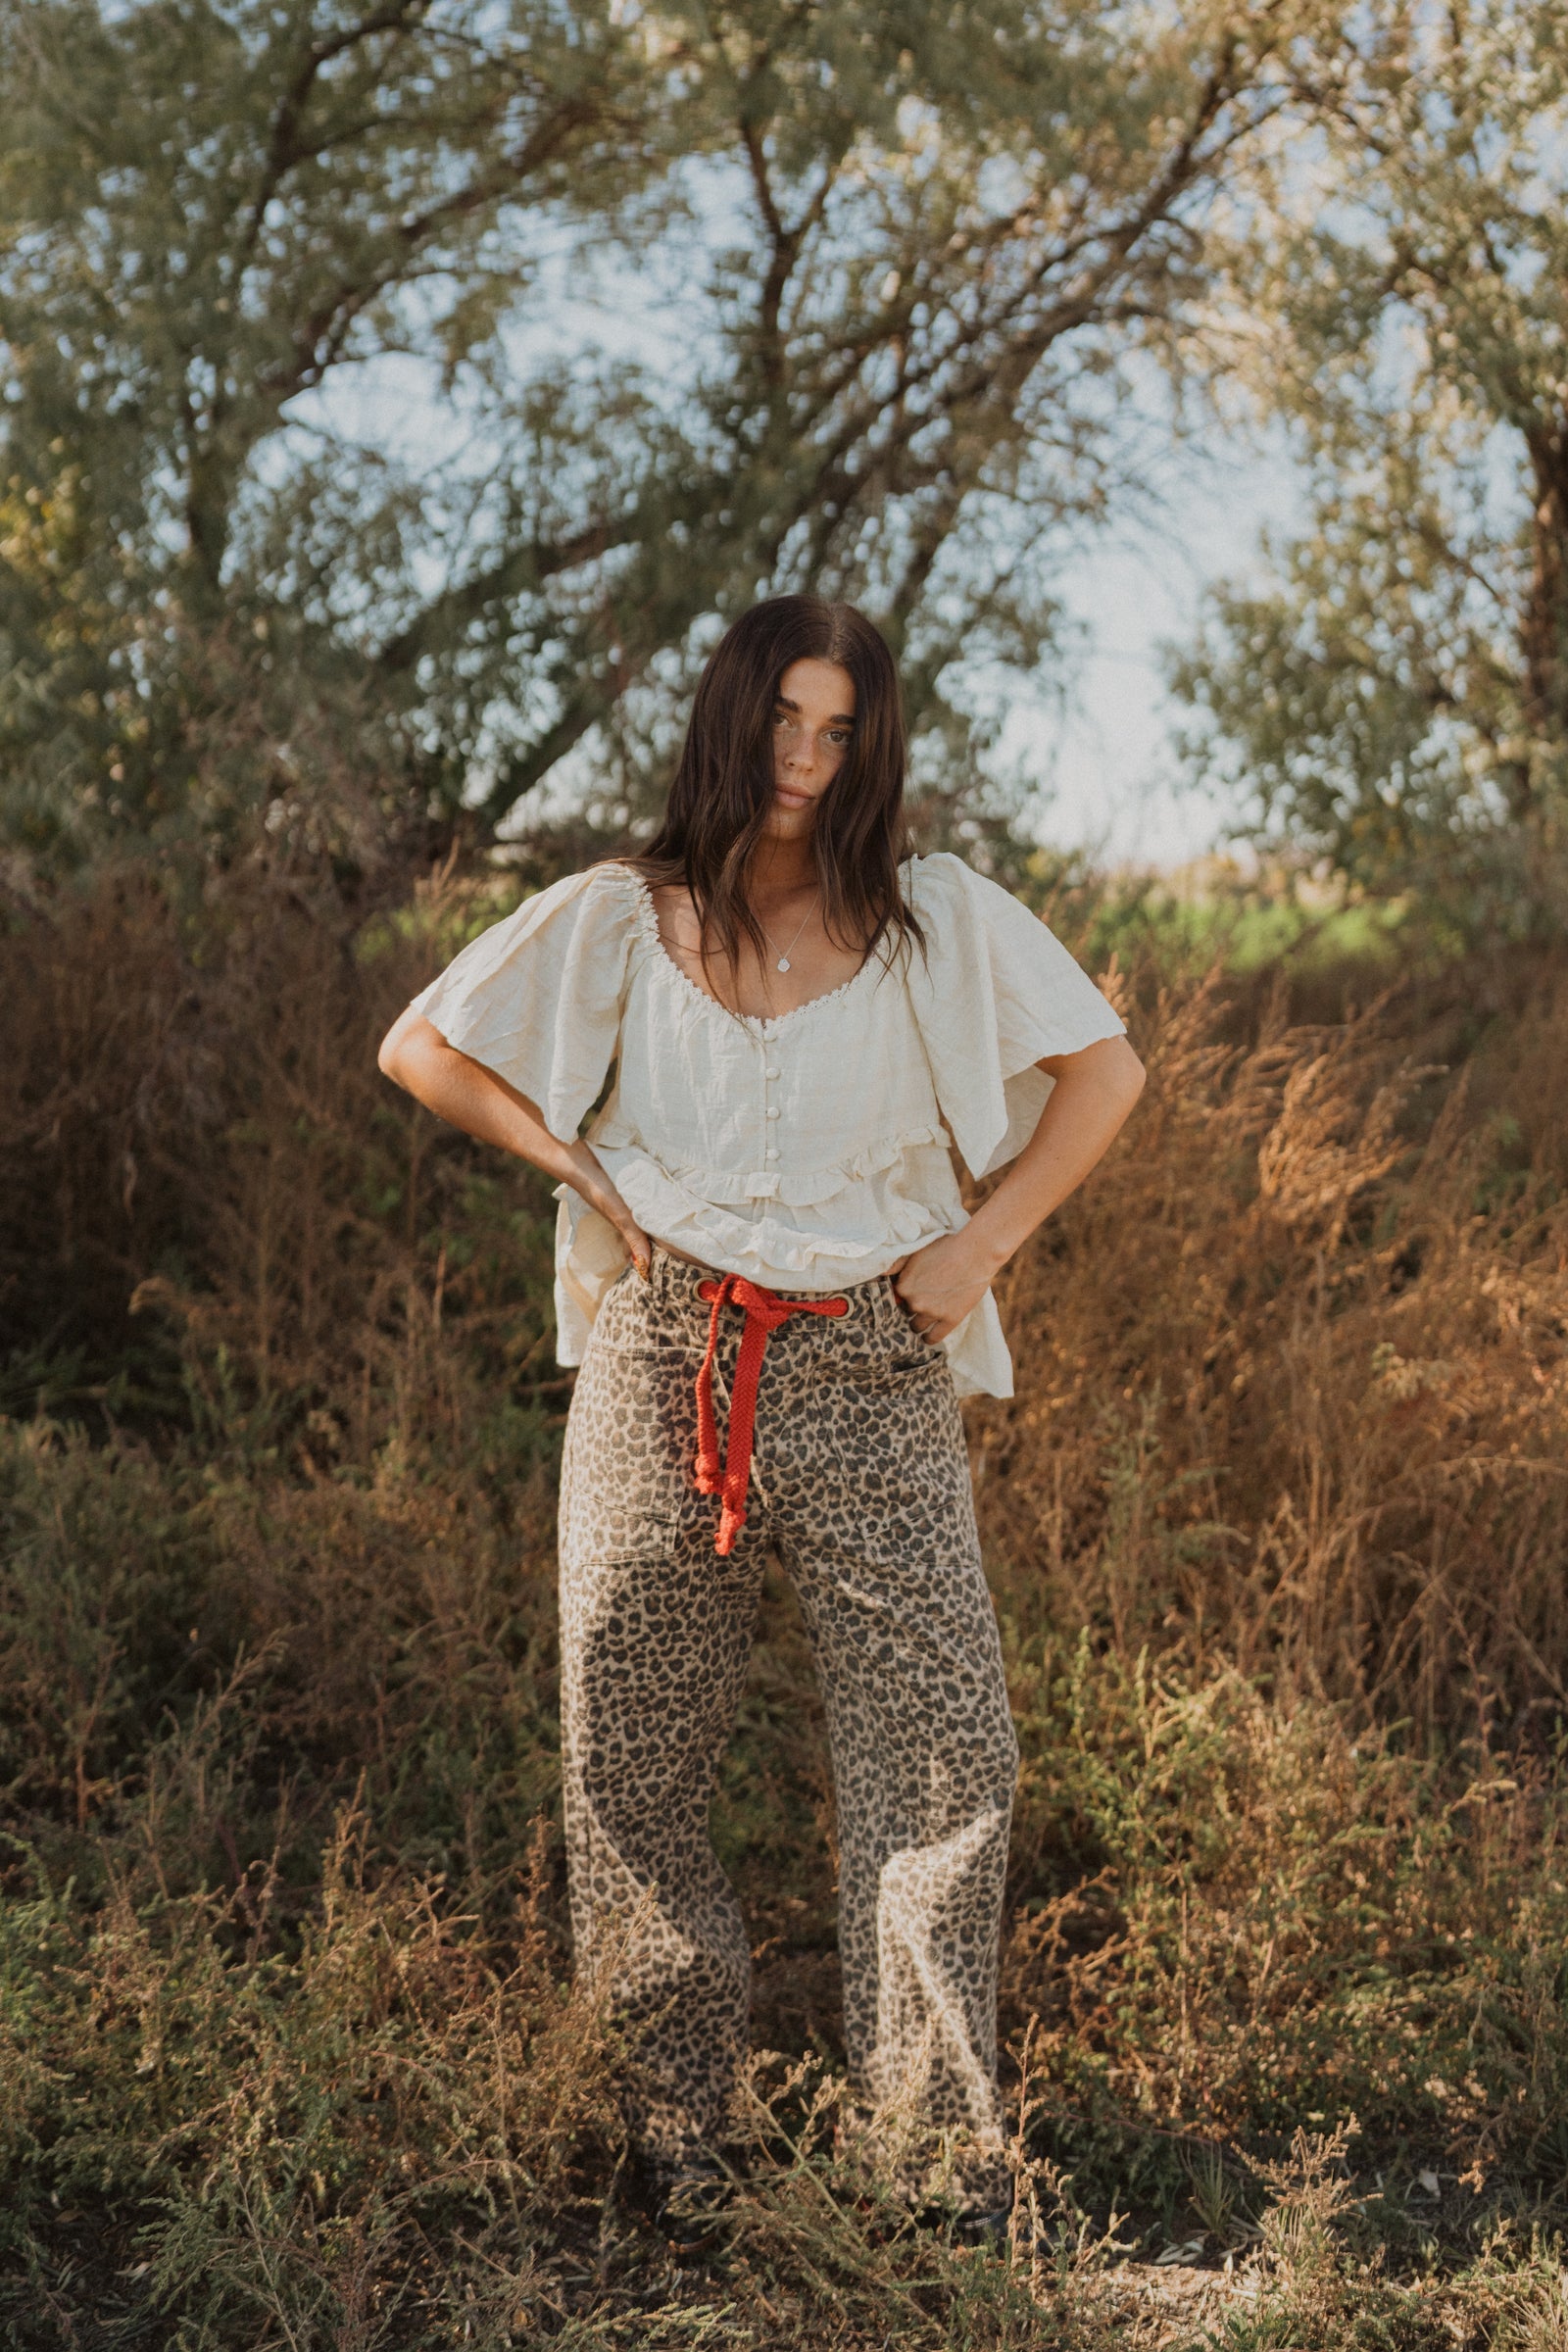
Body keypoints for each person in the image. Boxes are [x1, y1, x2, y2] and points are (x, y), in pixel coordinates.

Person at [378, 595, 1145, 2230]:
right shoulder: (615, 919)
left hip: (873, 1357)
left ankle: (933, 2164)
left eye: (841, 730)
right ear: (733, 720)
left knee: (943, 1753)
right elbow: (422, 1044)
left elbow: (1110, 1076)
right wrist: (576, 1164)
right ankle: (672, 2137)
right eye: (784, 721)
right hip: (670, 1360)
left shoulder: (931, 918)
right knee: (632, 1748)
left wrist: (980, 1243)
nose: (806, 759)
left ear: (872, 749)